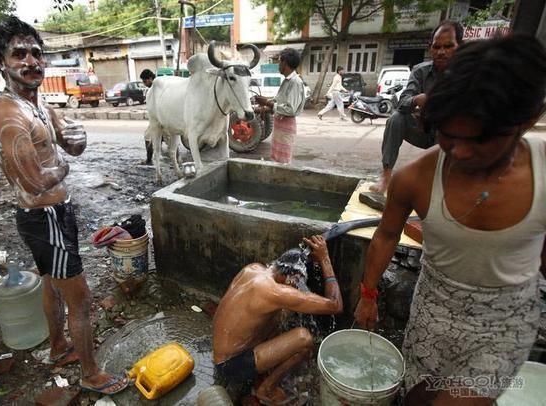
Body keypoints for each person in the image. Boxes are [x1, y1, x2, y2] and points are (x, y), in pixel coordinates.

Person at [354, 35, 546, 405]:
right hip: (432, 312)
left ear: (524, 123)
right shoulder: (416, 178)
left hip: (504, 323)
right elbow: (386, 235)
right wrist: (367, 294)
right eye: (447, 136)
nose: (459, 151)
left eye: (478, 141)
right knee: (416, 399)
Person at [0, 16, 128, 395]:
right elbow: (30, 180)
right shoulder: (6, 113)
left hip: (50, 214)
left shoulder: (37, 104)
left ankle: (58, 345)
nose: (31, 62)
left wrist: (75, 138)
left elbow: (70, 143)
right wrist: (62, 165)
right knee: (81, 299)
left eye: (36, 53)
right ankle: (91, 374)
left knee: (51, 282)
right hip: (43, 216)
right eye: (19, 54)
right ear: (1, 61)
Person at [213, 235, 343, 404]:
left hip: (223, 348)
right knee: (304, 339)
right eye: (297, 283)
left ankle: (262, 370)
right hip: (231, 365)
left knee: (286, 311)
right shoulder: (274, 292)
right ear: (292, 278)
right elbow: (335, 305)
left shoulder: (253, 269)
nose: (297, 287)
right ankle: (266, 388)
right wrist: (325, 259)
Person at [370, 21, 463, 194]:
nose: (441, 52)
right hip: (422, 130)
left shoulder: (467, 75)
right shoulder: (420, 71)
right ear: (430, 48)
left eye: (448, 46)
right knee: (396, 119)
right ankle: (386, 176)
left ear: (460, 47)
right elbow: (402, 102)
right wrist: (416, 100)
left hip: (451, 137)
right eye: (437, 47)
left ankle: (443, 181)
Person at [255, 48, 306, 164]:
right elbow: (279, 102)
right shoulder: (287, 81)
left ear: (285, 63)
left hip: (286, 125)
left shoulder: (295, 82)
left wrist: (267, 103)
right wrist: (265, 103)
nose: (278, 65)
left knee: (283, 162)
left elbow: (290, 109)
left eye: (279, 62)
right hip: (280, 124)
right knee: (276, 159)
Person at [139, 68, 156, 165]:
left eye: (145, 81)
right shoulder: (151, 90)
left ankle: (178, 161)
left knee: (171, 141)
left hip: (164, 119)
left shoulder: (157, 86)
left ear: (150, 78)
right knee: (147, 136)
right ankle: (149, 160)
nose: (144, 83)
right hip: (155, 121)